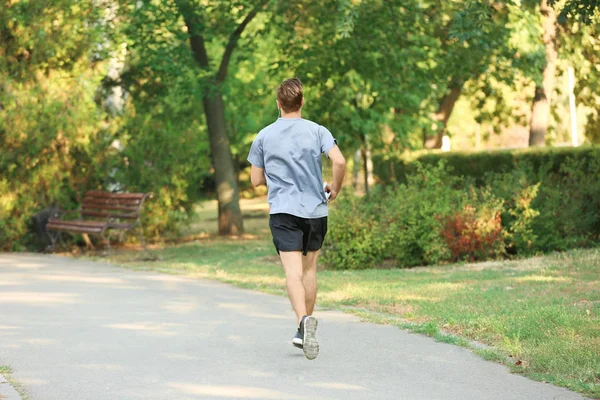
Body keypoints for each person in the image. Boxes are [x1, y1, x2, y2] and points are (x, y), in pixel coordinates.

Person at [247, 78, 346, 360]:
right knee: (309, 271)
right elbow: (338, 161)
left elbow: (255, 180)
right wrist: (335, 188)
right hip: (315, 210)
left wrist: (278, 174)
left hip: (283, 212)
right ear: (301, 102)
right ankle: (305, 329)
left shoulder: (264, 136)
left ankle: (303, 323)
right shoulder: (317, 131)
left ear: (278, 104)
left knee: (292, 273)